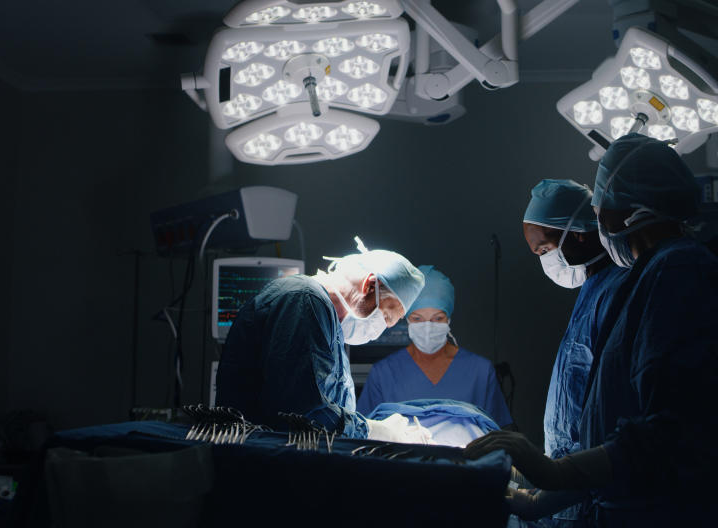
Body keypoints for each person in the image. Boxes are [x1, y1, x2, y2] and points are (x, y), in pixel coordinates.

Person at [466, 134, 718, 527]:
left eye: (598, 210)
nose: (598, 221)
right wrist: (541, 476)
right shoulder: (655, 275)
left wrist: (555, 474)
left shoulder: (679, 272)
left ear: (626, 213)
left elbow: (678, 429)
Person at [215, 237, 430, 442]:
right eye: (386, 316)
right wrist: (374, 431)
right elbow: (303, 413)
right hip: (261, 463)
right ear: (369, 286)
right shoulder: (303, 300)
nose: (381, 328)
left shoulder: (328, 325)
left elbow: (328, 413)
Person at [517, 179, 629, 526]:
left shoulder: (618, 291)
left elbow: (612, 415)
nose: (544, 260)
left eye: (543, 249)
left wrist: (559, 481)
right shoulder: (592, 289)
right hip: (572, 482)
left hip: (595, 493)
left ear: (579, 234)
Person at [357, 265, 513, 428]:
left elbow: (498, 435)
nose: (427, 326)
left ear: (448, 320)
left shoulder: (480, 371)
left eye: (437, 318)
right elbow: (366, 432)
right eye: (417, 319)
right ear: (407, 319)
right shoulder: (384, 374)